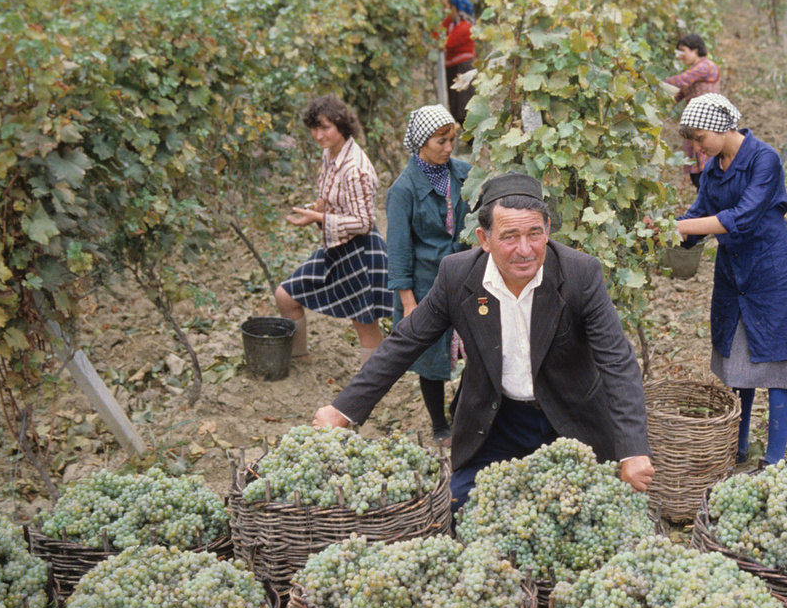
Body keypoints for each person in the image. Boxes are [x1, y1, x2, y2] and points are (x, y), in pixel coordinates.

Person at [314, 173, 655, 509]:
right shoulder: (458, 276)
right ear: (484, 238)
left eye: (535, 233)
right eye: (509, 236)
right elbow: (406, 342)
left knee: (584, 512)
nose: (525, 250)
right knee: (462, 507)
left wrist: (632, 448)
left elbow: (617, 360)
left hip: (570, 419)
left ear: (548, 230)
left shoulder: (579, 274)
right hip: (497, 424)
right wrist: (344, 409)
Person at [675, 94, 787, 465]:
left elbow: (743, 216)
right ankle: (737, 447)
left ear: (721, 127)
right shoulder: (712, 170)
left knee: (779, 364)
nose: (698, 147)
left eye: (700, 138)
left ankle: (773, 459)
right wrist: (667, 232)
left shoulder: (764, 159)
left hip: (770, 268)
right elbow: (700, 213)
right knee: (738, 364)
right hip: (733, 270)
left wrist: (682, 226)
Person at [275, 95, 392, 365]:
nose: (318, 135)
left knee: (364, 324)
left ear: (341, 125)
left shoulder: (356, 168)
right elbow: (336, 204)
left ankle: (371, 386)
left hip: (359, 250)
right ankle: (300, 360)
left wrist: (320, 216)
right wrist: (316, 210)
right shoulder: (331, 154)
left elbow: (363, 222)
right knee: (285, 295)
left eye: (325, 127)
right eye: (314, 128)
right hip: (336, 246)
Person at [386, 105, 471, 444]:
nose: (448, 148)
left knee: (479, 350)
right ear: (422, 141)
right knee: (431, 357)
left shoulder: (464, 175)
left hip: (465, 279)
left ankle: (461, 409)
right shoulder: (403, 189)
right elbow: (399, 250)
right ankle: (439, 425)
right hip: (426, 287)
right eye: (441, 141)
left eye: (452, 140)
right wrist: (408, 303)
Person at [663, 33, 721, 190]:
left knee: (707, 169)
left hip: (707, 123)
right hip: (694, 124)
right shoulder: (693, 72)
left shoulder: (706, 66)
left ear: (696, 49)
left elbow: (681, 80)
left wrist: (655, 81)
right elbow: (677, 95)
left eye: (684, 51)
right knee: (697, 173)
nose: (681, 56)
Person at [439, 0, 476, 125]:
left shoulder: (465, 27)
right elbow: (436, 34)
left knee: (464, 110)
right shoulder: (450, 24)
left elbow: (446, 43)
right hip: (453, 69)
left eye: (446, 6)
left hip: (463, 69)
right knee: (456, 109)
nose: (444, 10)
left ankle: (471, 143)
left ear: (454, 7)